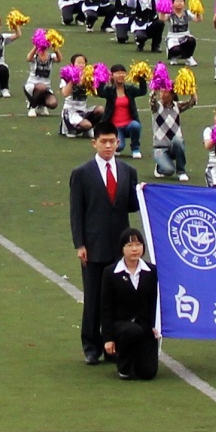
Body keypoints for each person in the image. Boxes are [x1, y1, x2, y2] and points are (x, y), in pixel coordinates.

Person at [68, 124, 141, 365]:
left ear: (118, 143)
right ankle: (91, 346)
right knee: (93, 298)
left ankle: (113, 344)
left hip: (119, 247)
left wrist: (142, 193)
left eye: (112, 141)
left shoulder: (128, 171)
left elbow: (131, 205)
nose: (108, 146)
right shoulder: (82, 173)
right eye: (104, 142)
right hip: (94, 245)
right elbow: (76, 212)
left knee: (119, 299)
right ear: (95, 143)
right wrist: (80, 244)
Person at [98, 228, 160, 381]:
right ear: (122, 248)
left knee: (148, 373)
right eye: (130, 245)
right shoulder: (110, 272)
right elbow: (106, 307)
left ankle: (136, 360)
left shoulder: (151, 271)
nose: (134, 249)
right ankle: (123, 365)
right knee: (132, 331)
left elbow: (154, 300)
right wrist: (108, 338)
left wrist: (154, 325)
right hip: (120, 325)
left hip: (144, 326)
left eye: (138, 245)